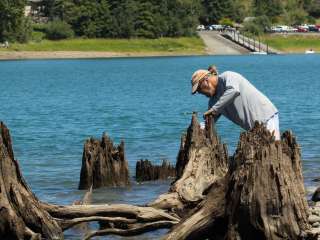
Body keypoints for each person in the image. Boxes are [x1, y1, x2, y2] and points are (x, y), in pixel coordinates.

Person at [191, 66, 280, 140]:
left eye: (199, 89)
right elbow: (210, 120)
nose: (200, 92)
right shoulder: (213, 101)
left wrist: (214, 109)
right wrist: (198, 128)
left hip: (266, 117)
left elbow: (234, 91)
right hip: (254, 128)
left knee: (272, 148)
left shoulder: (228, 76)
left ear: (206, 80)